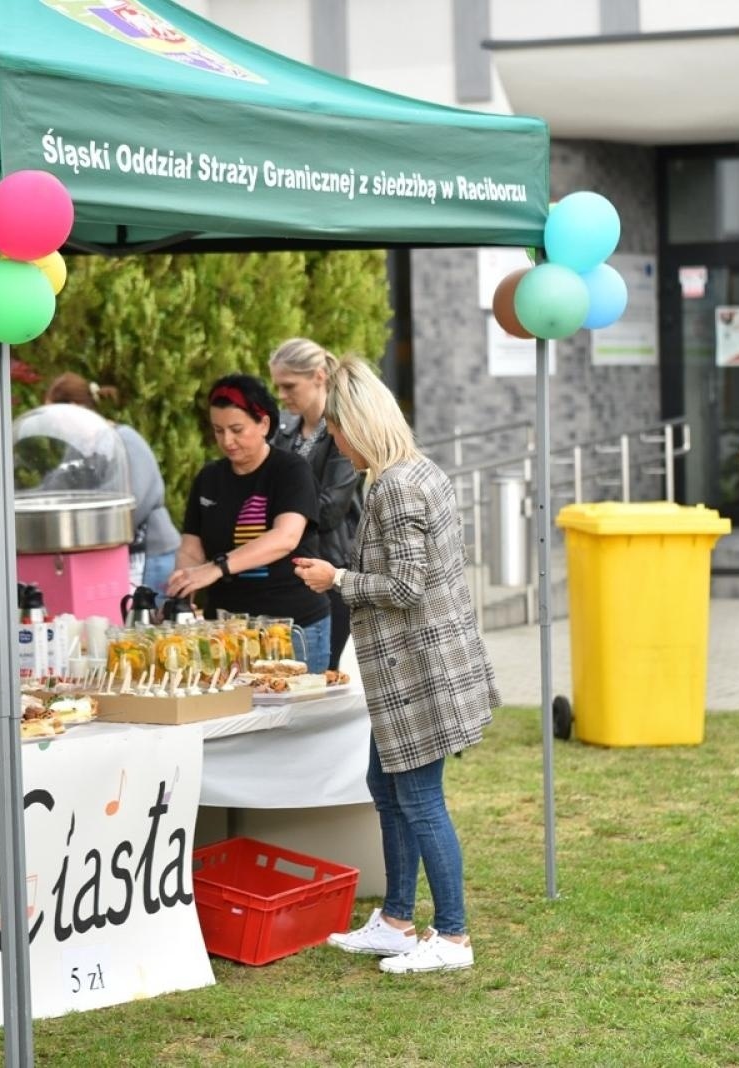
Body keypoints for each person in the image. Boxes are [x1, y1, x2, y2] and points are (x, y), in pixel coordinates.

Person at [293, 356, 498, 973]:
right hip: (416, 673)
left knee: (419, 798)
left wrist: (337, 579)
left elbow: (406, 586)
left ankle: (454, 936)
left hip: (420, 675)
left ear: (358, 423)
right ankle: (397, 921)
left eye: (335, 429)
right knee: (388, 787)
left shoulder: (397, 485)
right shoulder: (412, 473)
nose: (332, 440)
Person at [168, 374, 331, 672]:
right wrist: (185, 583)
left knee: (294, 716)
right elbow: (192, 547)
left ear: (264, 424)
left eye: (236, 429)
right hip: (225, 631)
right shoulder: (209, 479)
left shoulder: (291, 470)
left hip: (291, 628)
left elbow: (285, 538)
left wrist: (215, 568)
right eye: (218, 431)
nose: (227, 441)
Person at [45, 371, 181, 600]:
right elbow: (57, 490)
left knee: (149, 629)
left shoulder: (124, 441)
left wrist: (80, 527)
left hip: (151, 556)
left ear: (73, 408)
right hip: (112, 557)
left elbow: (130, 503)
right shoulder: (77, 449)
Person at [269, 338, 362, 668]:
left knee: (330, 671)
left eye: (289, 385)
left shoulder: (343, 429)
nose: (282, 395)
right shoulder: (283, 431)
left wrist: (281, 523)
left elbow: (331, 507)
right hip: (290, 569)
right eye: (278, 386)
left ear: (319, 376)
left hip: (332, 565)